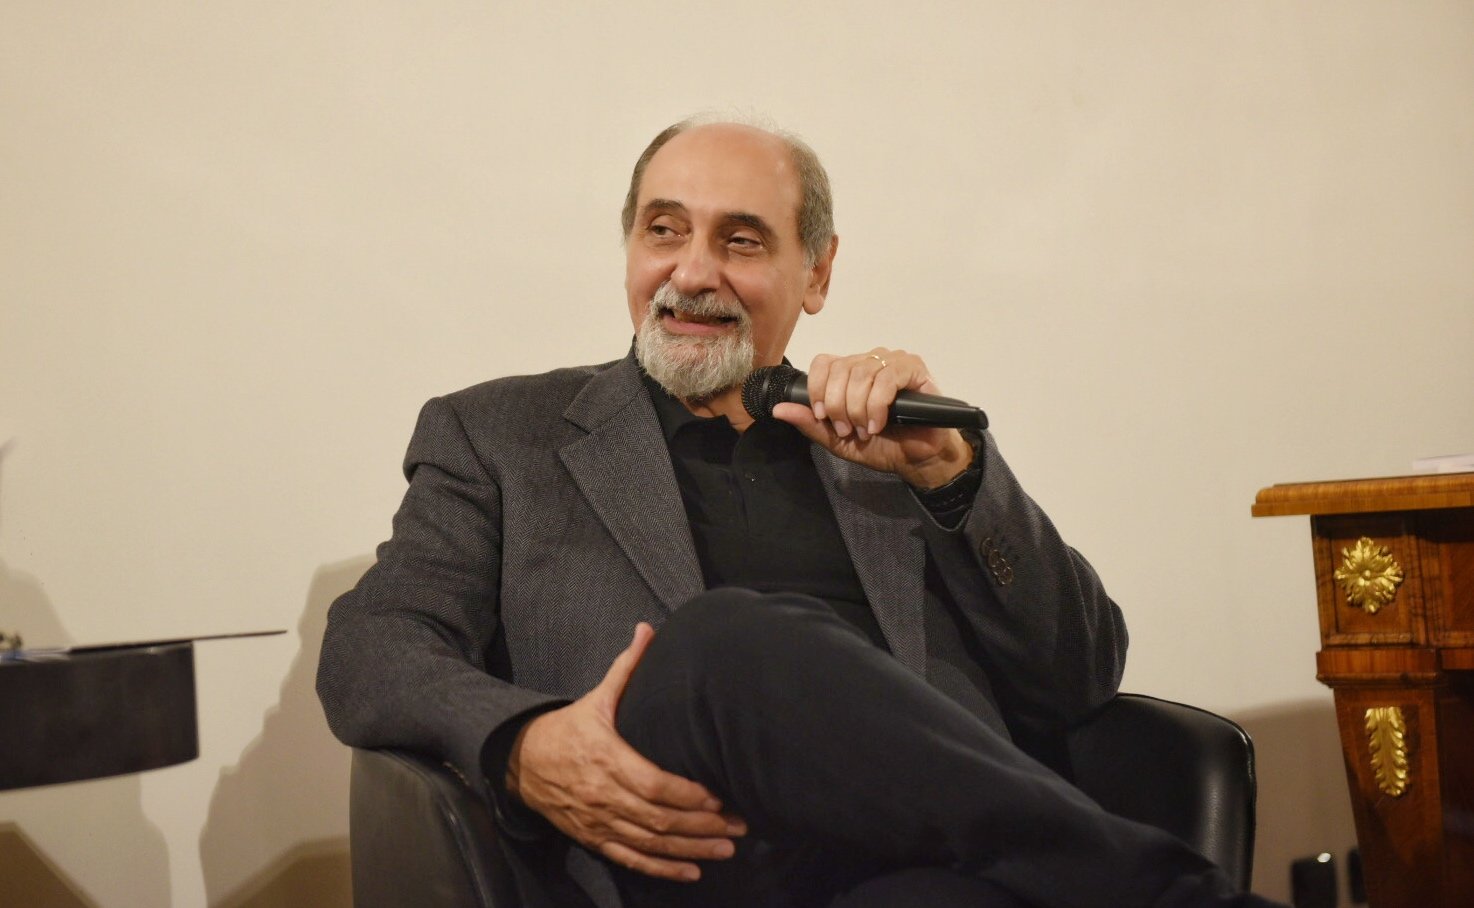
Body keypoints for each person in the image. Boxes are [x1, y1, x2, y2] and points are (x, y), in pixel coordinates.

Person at [318, 116, 1284, 908]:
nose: (693, 272)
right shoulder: (501, 435)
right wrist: (524, 744)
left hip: (916, 871)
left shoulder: (889, 444)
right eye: (664, 231)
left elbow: (1082, 676)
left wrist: (952, 478)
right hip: (686, 860)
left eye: (740, 240)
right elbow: (373, 644)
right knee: (723, 641)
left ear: (817, 273)